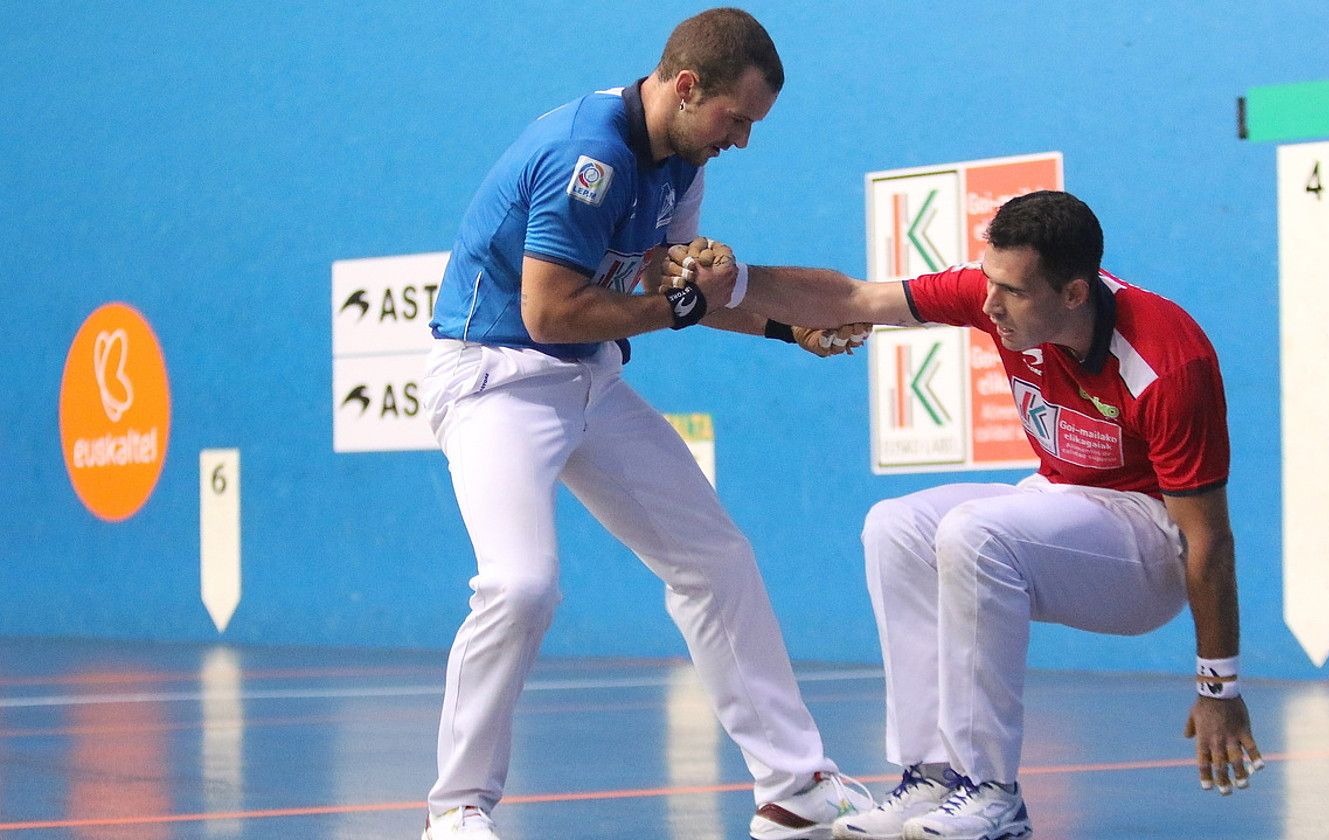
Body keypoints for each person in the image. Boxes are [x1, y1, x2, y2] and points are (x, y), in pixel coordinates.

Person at [673, 190, 1265, 840]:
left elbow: (1208, 540)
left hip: (1152, 549)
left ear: (1073, 294)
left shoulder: (1167, 362)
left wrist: (1219, 689)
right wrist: (738, 284)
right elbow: (850, 299)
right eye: (988, 282)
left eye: (1010, 292)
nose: (988, 305)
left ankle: (992, 793)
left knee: (976, 533)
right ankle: (931, 779)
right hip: (1061, 496)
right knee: (895, 527)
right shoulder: (998, 296)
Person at [419, 8, 871, 840]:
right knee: (519, 585)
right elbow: (553, 313)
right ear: (687, 87)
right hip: (496, 380)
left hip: (589, 379)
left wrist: (785, 328)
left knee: (714, 556)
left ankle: (795, 788)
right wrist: (679, 302)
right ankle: (455, 808)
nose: (741, 141)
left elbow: (679, 288)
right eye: (737, 119)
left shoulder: (681, 163)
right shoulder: (585, 156)